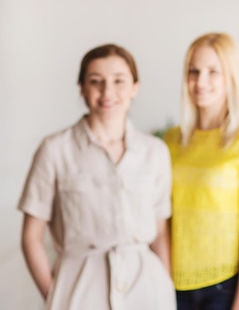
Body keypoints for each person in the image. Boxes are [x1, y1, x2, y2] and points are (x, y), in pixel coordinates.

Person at [18, 44, 176, 310]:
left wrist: (165, 289)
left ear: (134, 87)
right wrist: (54, 295)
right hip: (78, 287)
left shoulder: (155, 151)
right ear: (81, 88)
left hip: (146, 289)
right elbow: (31, 236)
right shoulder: (55, 150)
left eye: (118, 81)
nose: (107, 92)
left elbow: (160, 231)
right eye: (96, 81)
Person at [163, 32, 239, 310]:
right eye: (194, 71)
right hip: (174, 289)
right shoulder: (170, 142)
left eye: (213, 72)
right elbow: (161, 222)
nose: (200, 81)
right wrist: (163, 287)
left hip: (228, 289)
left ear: (231, 77)